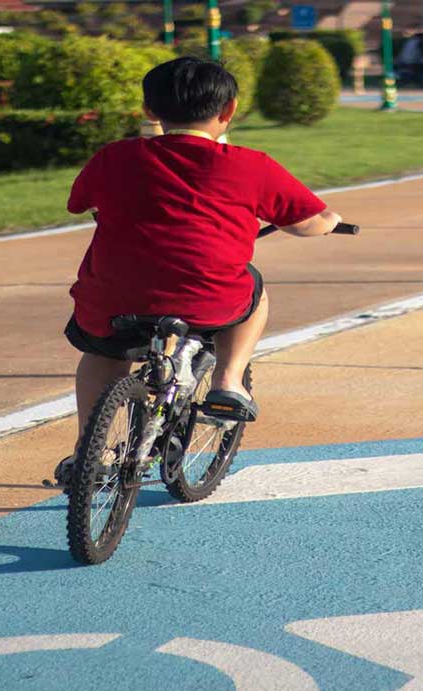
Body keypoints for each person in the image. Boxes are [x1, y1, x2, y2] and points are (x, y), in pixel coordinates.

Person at [53, 57, 341, 484]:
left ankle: (88, 453)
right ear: (229, 111)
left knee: (101, 353)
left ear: (150, 111)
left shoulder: (114, 157)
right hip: (207, 297)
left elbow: (80, 204)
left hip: (110, 298)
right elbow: (308, 222)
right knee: (254, 292)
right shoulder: (250, 165)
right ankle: (228, 379)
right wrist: (331, 222)